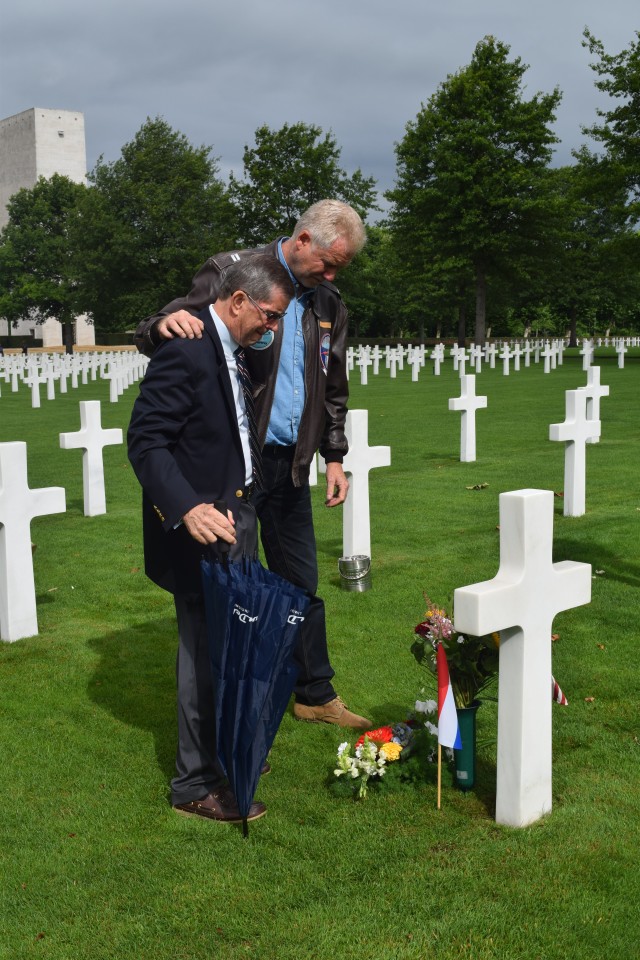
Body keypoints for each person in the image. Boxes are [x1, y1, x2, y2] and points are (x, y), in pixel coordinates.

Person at [135, 200, 372, 730]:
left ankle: (314, 692)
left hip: (291, 462)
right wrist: (159, 325)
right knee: (233, 588)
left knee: (299, 579)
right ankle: (239, 705)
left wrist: (334, 454)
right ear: (303, 239)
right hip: (234, 464)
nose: (333, 276)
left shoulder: (328, 302)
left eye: (342, 268)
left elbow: (333, 384)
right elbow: (170, 331)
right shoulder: (231, 271)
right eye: (329, 262)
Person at [128, 254, 294, 823]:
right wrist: (186, 508)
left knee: (233, 649)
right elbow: (147, 441)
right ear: (239, 300)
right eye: (268, 317)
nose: (271, 330)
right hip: (203, 525)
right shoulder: (188, 348)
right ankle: (194, 785)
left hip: (236, 516)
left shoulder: (233, 352)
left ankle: (226, 752)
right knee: (203, 656)